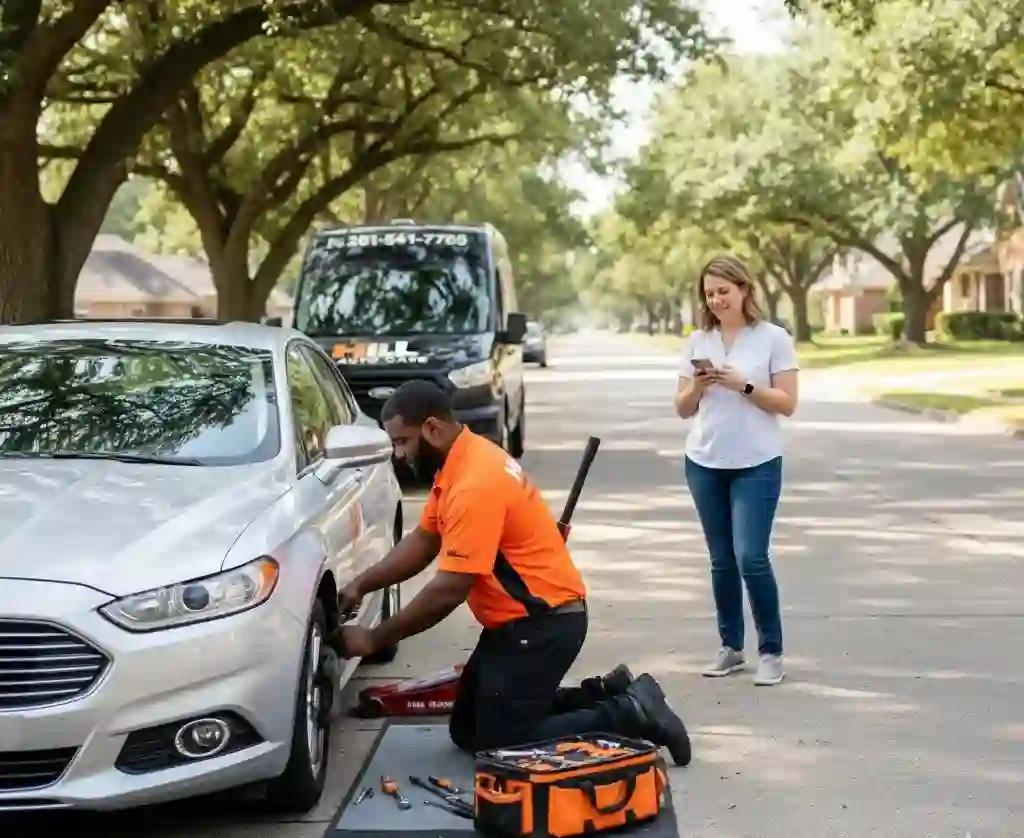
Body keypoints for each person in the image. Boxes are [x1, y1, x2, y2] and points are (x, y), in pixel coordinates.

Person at [328, 379, 691, 766]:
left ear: (432, 429)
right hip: (515, 625)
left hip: (543, 626)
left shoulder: (474, 483)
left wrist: (373, 638)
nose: (398, 455)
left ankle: (631, 712)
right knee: (466, 729)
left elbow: (448, 591)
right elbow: (423, 541)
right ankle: (606, 693)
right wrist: (362, 584)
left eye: (402, 441)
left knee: (499, 742)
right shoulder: (460, 460)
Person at [673, 255, 799, 686]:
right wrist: (698, 386)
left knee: (751, 557)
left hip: (757, 462)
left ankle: (771, 651)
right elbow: (682, 409)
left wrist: (743, 386)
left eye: (723, 291)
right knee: (721, 560)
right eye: (709, 293)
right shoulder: (698, 340)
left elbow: (787, 403)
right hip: (705, 461)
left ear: (744, 289)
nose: (716, 300)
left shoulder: (772, 338)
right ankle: (731, 647)